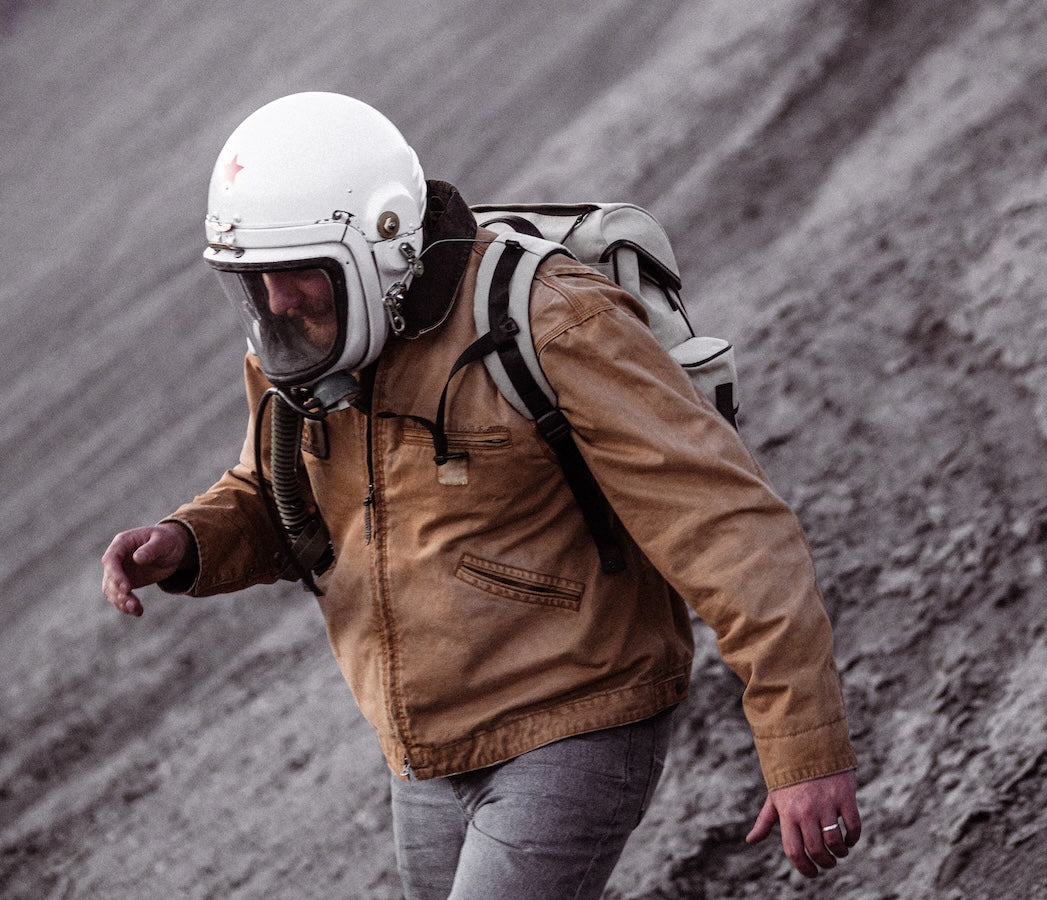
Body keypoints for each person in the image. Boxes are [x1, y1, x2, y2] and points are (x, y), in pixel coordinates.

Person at [101, 92, 861, 898]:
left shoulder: (550, 320)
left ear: (382, 245)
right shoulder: (302, 345)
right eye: (254, 278)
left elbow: (726, 525)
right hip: (427, 755)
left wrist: (804, 749)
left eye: (294, 273)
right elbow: (279, 489)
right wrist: (189, 540)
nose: (276, 301)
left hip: (578, 717)